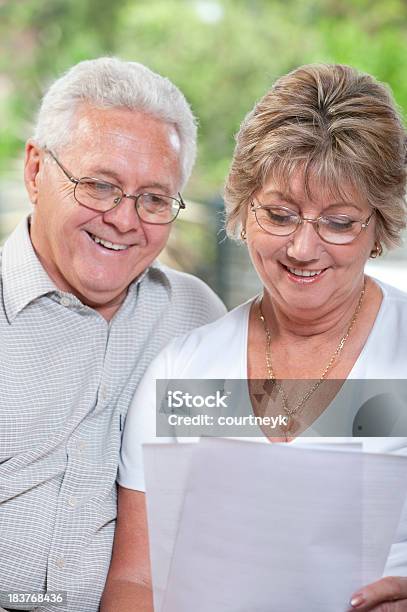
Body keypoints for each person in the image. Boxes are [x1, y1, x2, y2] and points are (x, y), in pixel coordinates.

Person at [103, 64, 407, 611]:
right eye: (280, 214)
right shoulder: (185, 370)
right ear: (244, 209)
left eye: (338, 222)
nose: (302, 249)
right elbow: (137, 582)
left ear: (380, 226)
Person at [0, 57, 226, 612]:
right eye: (100, 186)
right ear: (35, 171)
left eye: (153, 199)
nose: (125, 220)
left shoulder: (196, 316)